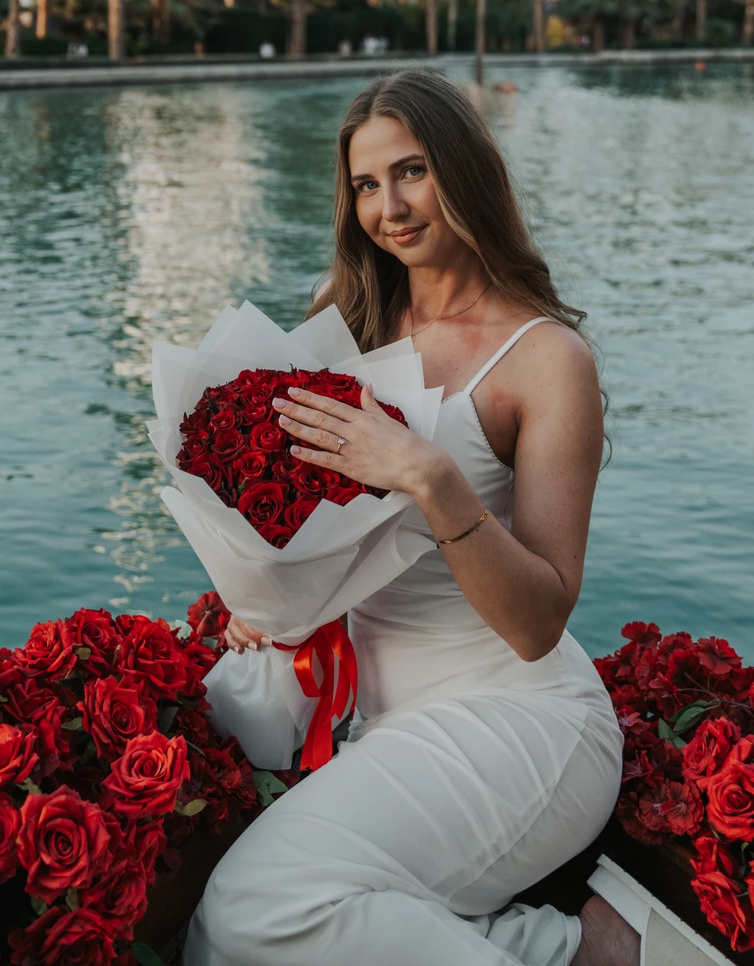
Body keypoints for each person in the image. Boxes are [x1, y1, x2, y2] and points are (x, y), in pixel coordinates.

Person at [186, 68, 638, 966]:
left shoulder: (546, 360)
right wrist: (265, 594)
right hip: (376, 720)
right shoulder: (342, 321)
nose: (388, 205)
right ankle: (562, 948)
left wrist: (435, 480)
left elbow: (540, 622)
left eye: (413, 171)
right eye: (364, 183)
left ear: (466, 170)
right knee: (238, 931)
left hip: (520, 717)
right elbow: (308, 530)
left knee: (248, 912)